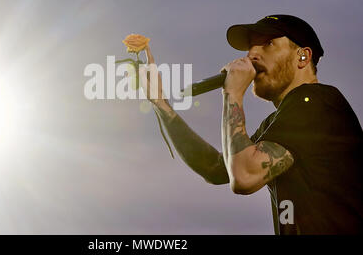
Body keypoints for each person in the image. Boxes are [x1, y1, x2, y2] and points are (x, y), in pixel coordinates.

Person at [139, 14, 363, 235]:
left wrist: (233, 92)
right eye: (251, 47)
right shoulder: (284, 119)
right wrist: (161, 104)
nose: (252, 54)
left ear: (302, 57)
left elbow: (244, 177)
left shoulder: (314, 101)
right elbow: (216, 169)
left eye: (268, 43)